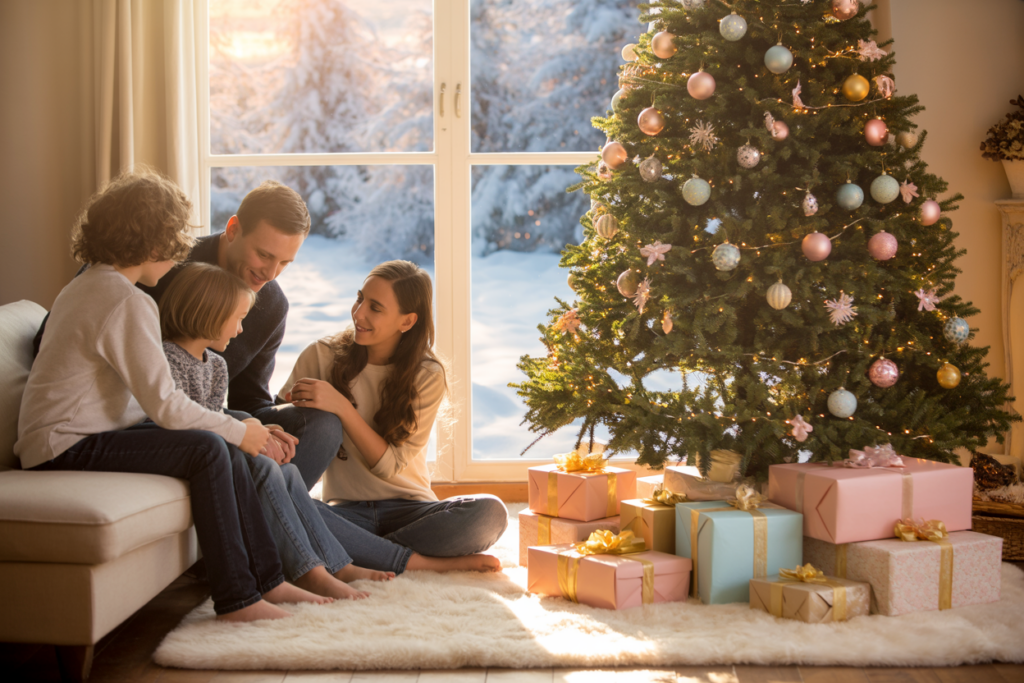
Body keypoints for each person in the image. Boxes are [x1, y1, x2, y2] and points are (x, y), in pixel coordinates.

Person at [15, 171, 327, 622]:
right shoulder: (125, 300)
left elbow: (151, 402)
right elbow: (164, 403)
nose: (183, 248)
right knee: (207, 448)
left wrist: (238, 428)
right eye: (175, 237)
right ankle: (239, 596)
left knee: (222, 443)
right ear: (151, 242)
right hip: (65, 443)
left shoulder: (92, 286)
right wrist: (238, 430)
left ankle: (269, 580)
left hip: (76, 437)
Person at [33, 180, 344, 490]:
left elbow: (248, 395)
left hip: (203, 411)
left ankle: (272, 511)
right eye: (264, 254)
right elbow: (54, 338)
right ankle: (273, 517)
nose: (271, 273)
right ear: (233, 229)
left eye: (285, 262)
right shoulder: (153, 258)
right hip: (146, 414)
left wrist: (258, 427)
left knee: (322, 426)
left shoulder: (272, 305)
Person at [159, 262, 393, 600]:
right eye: (237, 319)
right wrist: (241, 428)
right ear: (209, 315)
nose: (240, 331)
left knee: (288, 472)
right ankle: (308, 573)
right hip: (195, 449)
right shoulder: (166, 358)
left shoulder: (217, 366)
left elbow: (213, 414)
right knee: (267, 467)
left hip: (216, 441)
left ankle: (336, 563)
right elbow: (179, 416)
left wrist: (253, 424)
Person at [279, 261, 508, 574]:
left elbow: (388, 466)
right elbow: (281, 425)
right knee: (287, 508)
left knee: (490, 513)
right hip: (345, 510)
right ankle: (421, 563)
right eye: (359, 299)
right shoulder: (320, 356)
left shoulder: (427, 374)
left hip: (411, 509)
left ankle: (358, 549)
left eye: (375, 307)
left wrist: (342, 407)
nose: (358, 313)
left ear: (407, 321)